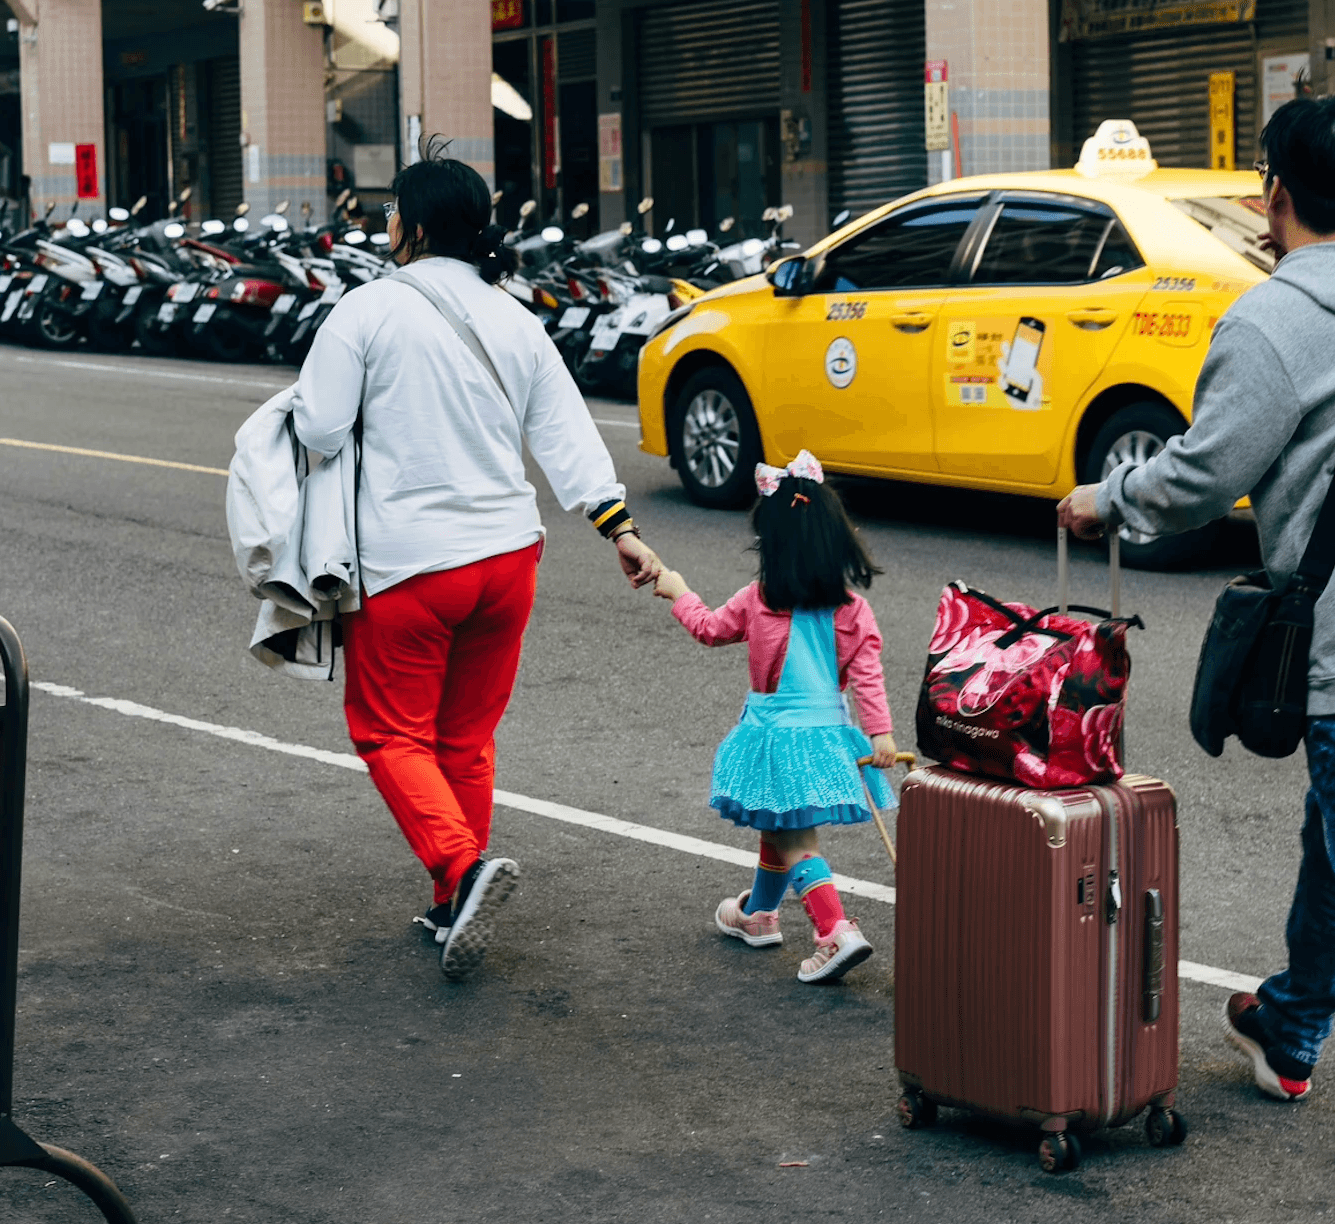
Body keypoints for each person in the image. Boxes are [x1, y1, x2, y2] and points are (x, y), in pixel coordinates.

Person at [1058, 95, 1335, 1188]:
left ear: (1274, 191)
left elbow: (1207, 472)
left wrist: (1104, 500)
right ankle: (1292, 1024)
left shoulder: (1270, 321)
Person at [294, 144, 662, 981]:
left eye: (391, 212)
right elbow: (566, 435)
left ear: (415, 228)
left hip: (410, 566)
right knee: (465, 737)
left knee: (389, 732)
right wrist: (619, 529)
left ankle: (462, 873)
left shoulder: (368, 310)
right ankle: (452, 900)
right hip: (508, 561)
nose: (384, 225)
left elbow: (316, 429)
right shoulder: (514, 317)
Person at [652, 451, 896, 984]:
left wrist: (679, 592)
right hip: (828, 737)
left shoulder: (760, 599)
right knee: (778, 824)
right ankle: (758, 916)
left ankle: (834, 931)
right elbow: (868, 674)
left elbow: (710, 628)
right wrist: (879, 733)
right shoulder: (853, 609)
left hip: (775, 738)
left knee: (796, 841)